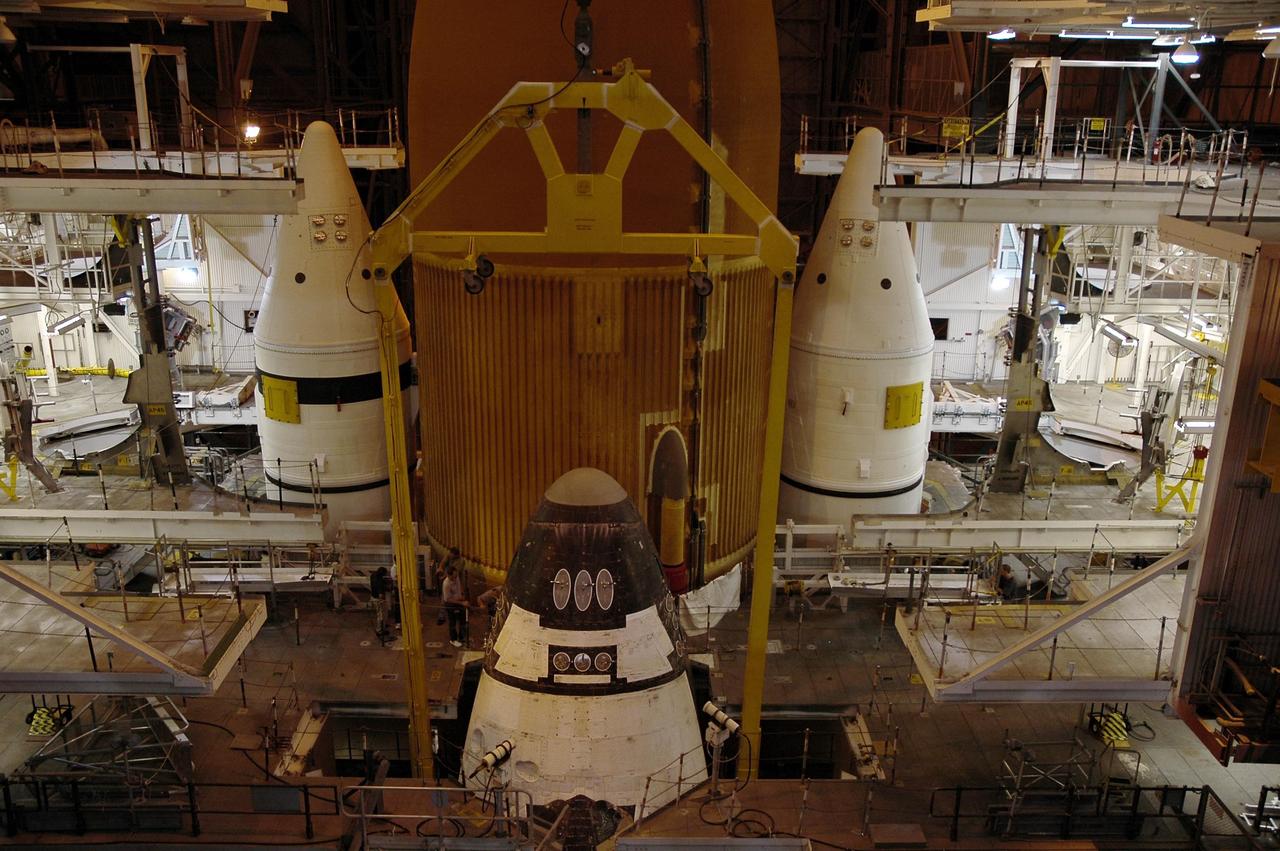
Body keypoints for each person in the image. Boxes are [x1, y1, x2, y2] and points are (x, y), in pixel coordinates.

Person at [442, 564, 468, 647]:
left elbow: (459, 586)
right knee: (452, 622)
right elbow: (448, 599)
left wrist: (462, 595)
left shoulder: (456, 577)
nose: (455, 578)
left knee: (463, 619)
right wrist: (462, 603)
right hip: (450, 603)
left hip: (459, 599)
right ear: (449, 575)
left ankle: (461, 637)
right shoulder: (446, 584)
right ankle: (453, 639)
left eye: (456, 575)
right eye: (453, 576)